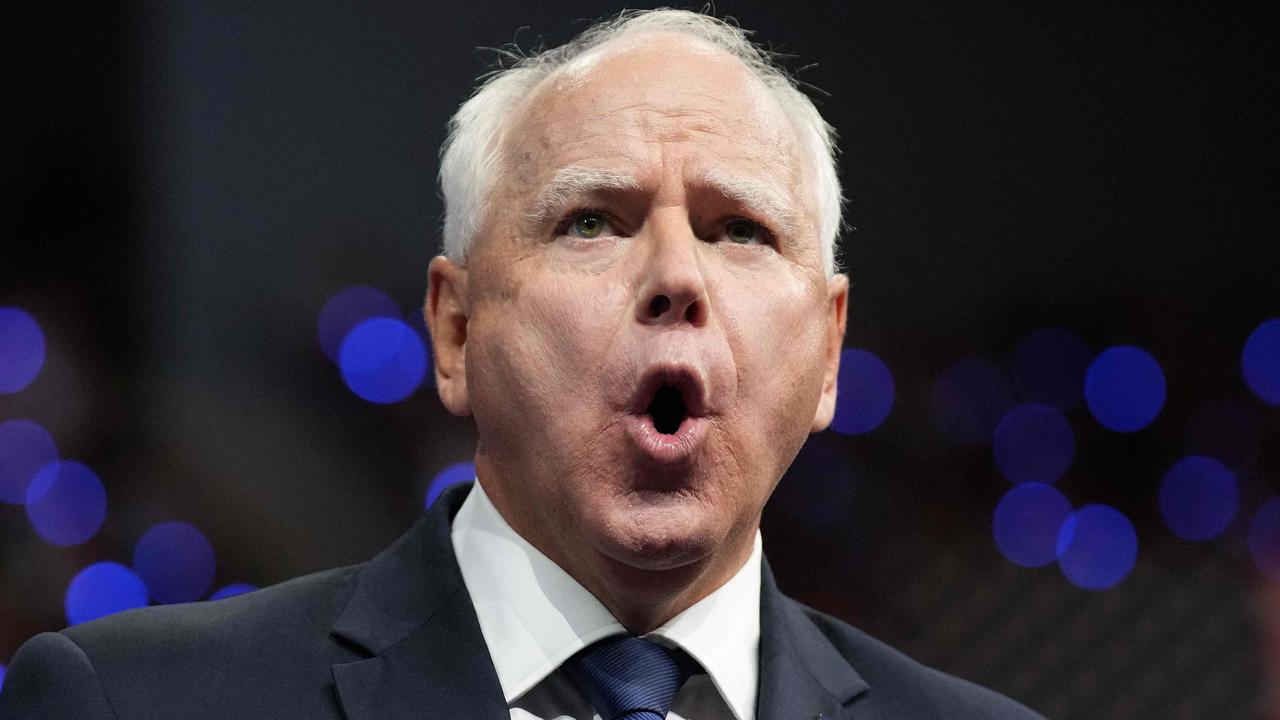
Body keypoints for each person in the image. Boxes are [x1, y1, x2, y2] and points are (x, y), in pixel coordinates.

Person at [0, 9, 1045, 719]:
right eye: (591, 220)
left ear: (826, 352)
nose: (675, 275)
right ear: (453, 331)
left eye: (739, 231)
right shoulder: (135, 703)